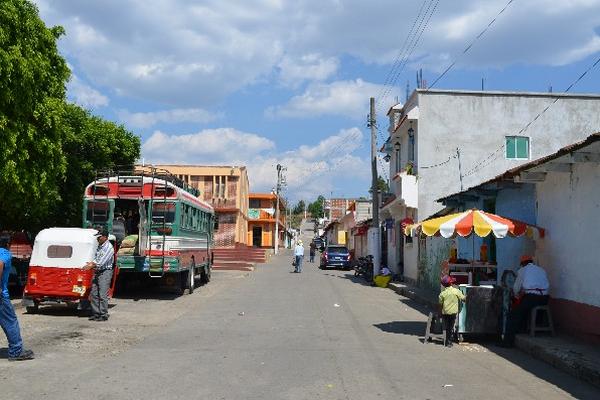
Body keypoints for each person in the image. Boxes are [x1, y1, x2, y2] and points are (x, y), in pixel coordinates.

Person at [502, 255, 550, 347]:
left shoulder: (523, 270)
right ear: (531, 261)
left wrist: (516, 294)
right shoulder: (541, 270)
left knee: (512, 315)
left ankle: (507, 342)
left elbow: (516, 288)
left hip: (532, 298)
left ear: (523, 263)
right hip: (545, 298)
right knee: (524, 309)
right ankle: (523, 329)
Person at [0, 235, 34, 361]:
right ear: (8, 244)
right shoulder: (4, 253)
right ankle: (16, 351)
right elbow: (0, 264)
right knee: (10, 321)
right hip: (1, 296)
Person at [83, 228, 115, 321]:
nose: (97, 239)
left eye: (99, 237)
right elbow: (97, 258)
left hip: (105, 272)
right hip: (97, 271)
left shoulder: (109, 248)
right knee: (94, 294)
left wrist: (90, 266)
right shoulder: (100, 246)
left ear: (105, 237)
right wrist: (91, 263)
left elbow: (101, 262)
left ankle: (103, 314)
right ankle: (96, 313)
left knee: (102, 294)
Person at [438, 275, 466, 348]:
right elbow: (464, 299)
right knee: (450, 327)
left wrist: (440, 313)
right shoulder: (456, 291)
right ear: (451, 283)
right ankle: (448, 341)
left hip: (445, 313)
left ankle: (447, 339)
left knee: (447, 326)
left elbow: (440, 305)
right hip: (453, 313)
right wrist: (467, 296)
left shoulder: (442, 294)